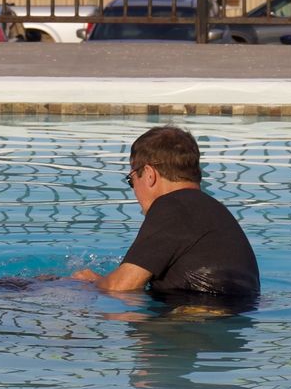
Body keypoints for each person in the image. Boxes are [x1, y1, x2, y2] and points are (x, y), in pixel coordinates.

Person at [72, 125, 260, 304]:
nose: (134, 190)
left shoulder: (172, 207)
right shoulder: (213, 211)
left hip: (195, 323)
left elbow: (121, 287)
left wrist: (88, 283)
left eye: (131, 180)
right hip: (224, 318)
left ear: (149, 174)